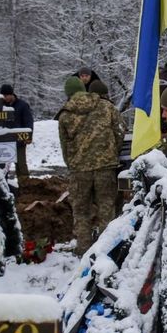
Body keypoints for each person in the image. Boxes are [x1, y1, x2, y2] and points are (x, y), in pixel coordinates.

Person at [58, 76, 124, 256]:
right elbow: (120, 131)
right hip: (106, 166)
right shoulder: (106, 106)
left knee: (81, 211)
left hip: (79, 171)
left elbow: (65, 146)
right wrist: (111, 152)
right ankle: (107, 250)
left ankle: (83, 249)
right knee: (106, 208)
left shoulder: (65, 114)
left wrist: (72, 164)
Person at [0, 84, 34, 179]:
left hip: (20, 140)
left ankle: (25, 187)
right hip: (5, 141)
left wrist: (29, 137)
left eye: (6, 95)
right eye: (3, 96)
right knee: (3, 167)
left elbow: (28, 121)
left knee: (21, 165)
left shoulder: (22, 105)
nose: (5, 98)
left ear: (11, 95)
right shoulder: (1, 106)